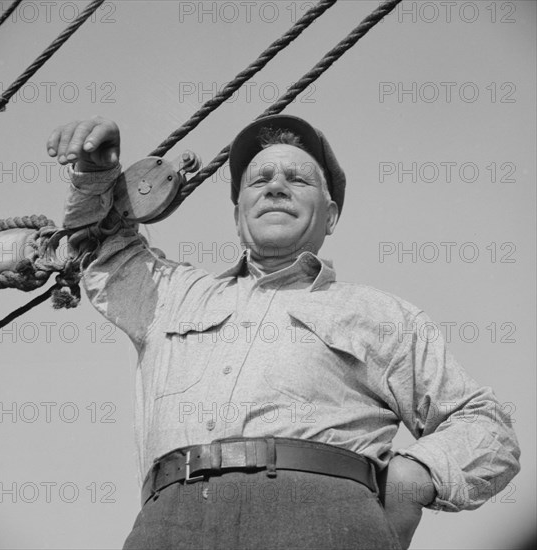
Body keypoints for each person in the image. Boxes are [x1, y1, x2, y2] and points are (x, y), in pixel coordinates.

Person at [48, 114, 520, 550]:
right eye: (260, 179)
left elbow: (486, 425)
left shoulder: (381, 313)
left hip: (326, 522)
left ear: (330, 216)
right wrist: (95, 176)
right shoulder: (171, 296)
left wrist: (415, 475)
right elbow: (103, 250)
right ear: (238, 215)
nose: (276, 186)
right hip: (168, 526)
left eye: (297, 179)